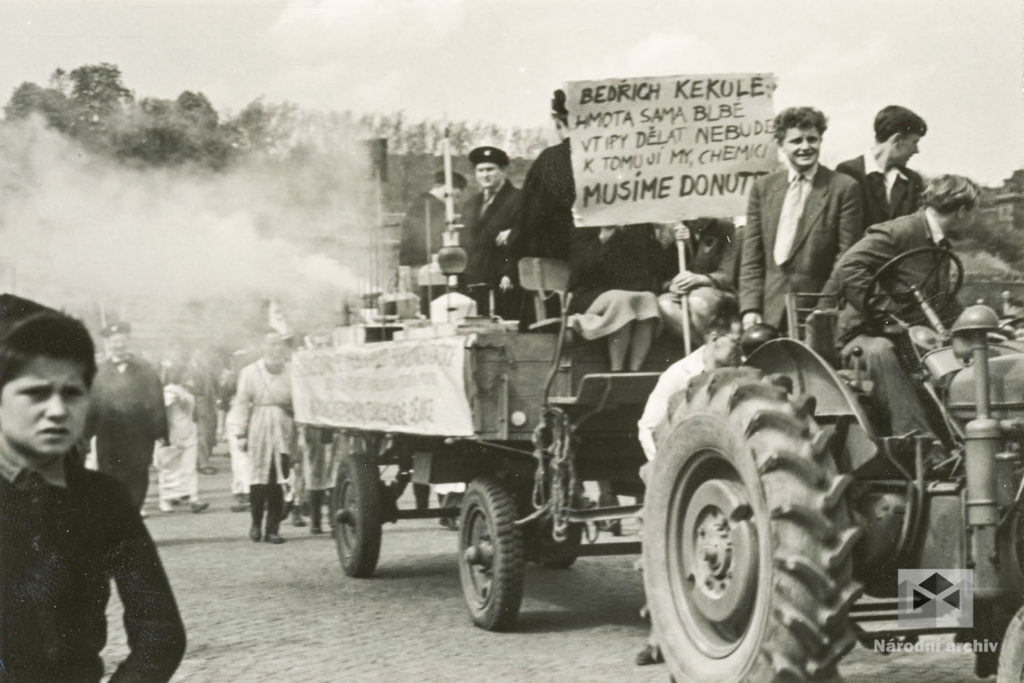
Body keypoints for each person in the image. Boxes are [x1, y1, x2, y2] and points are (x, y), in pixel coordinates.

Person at [0, 294, 185, 681]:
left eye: (71, 392)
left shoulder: (101, 499)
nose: (56, 410)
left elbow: (160, 631)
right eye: (35, 392)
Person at [633, 296, 742, 666]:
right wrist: (664, 469)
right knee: (667, 542)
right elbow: (646, 426)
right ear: (713, 337)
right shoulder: (679, 375)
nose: (740, 349)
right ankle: (657, 639)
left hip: (715, 465)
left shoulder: (741, 370)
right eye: (735, 340)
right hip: (672, 462)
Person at [835, 174, 978, 437]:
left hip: (909, 338)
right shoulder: (899, 232)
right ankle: (918, 444)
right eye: (973, 213)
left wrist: (976, 325)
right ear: (962, 211)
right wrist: (891, 319)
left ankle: (962, 438)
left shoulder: (939, 243)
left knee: (963, 355)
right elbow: (848, 267)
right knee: (881, 351)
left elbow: (941, 300)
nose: (973, 220)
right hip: (865, 335)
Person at [739, 106, 864, 331]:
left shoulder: (843, 188)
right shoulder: (763, 188)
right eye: (796, 141)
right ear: (781, 146)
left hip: (817, 310)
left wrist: (823, 309)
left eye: (812, 139)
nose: (805, 147)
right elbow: (752, 255)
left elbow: (846, 258)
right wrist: (750, 308)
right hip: (769, 310)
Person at [84, 321, 169, 513]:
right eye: (114, 342)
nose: (118, 345)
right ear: (108, 344)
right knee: (108, 477)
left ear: (128, 341)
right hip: (108, 435)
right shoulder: (98, 371)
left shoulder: (145, 369)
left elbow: (156, 400)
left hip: (139, 434)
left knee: (137, 475)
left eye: (121, 341)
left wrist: (161, 432)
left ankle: (132, 514)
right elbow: (91, 404)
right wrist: (85, 434)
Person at [568, 224, 667, 372]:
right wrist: (603, 240)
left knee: (649, 299)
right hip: (590, 294)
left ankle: (635, 371)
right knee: (621, 300)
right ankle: (617, 371)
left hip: (626, 291)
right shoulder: (586, 225)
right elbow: (581, 270)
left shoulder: (638, 227)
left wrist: (670, 243)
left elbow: (654, 266)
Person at [228, 331, 295, 544]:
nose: (277, 349)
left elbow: (300, 398)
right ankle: (256, 522)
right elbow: (241, 403)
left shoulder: (292, 371)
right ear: (264, 347)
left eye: (280, 345)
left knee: (279, 479)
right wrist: (240, 432)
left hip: (284, 426)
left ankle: (272, 528)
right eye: (272, 345)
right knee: (258, 479)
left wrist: (293, 410)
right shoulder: (250, 372)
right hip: (259, 425)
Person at [836, 105, 927, 231]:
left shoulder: (913, 181)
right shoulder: (848, 172)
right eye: (914, 142)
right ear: (897, 139)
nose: (916, 150)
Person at [513, 89, 575, 262]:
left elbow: (531, 216)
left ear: (557, 121)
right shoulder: (615, 159)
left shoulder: (550, 160)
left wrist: (514, 243)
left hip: (564, 263)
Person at [656, 217, 740, 345]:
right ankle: (704, 347)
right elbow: (664, 275)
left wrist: (702, 279)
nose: (695, 221)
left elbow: (728, 275)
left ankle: (714, 348)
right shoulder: (676, 231)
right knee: (664, 304)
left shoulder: (725, 228)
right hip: (685, 292)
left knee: (697, 300)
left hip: (718, 290)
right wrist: (671, 285)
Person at [464, 145, 523, 319]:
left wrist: (510, 273)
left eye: (490, 169)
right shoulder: (471, 203)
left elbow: (523, 239)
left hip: (503, 279)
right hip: (474, 277)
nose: (485, 175)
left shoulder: (519, 199)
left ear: (503, 170)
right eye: (480, 170)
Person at [156, 363, 208, 514]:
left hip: (189, 431)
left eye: (182, 373)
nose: (181, 376)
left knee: (189, 467)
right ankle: (165, 500)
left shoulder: (186, 390)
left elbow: (193, 412)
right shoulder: (168, 392)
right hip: (174, 433)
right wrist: (168, 436)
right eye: (176, 373)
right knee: (169, 468)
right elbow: (165, 414)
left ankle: (194, 499)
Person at [187, 347, 219, 475]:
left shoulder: (205, 369)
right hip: (196, 403)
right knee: (201, 434)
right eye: (197, 352)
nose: (201, 355)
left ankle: (200, 461)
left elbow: (212, 387)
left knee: (204, 433)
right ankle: (203, 463)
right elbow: (190, 389)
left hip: (206, 404)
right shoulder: (189, 369)